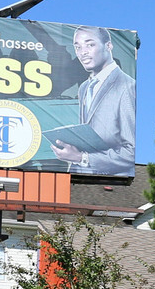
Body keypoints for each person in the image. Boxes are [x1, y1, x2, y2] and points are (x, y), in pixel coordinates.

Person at [51, 25, 136, 177]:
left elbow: (130, 152)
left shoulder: (126, 86)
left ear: (108, 46)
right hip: (83, 176)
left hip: (112, 180)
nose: (82, 52)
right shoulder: (84, 87)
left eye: (90, 45)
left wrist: (82, 158)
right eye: (77, 47)